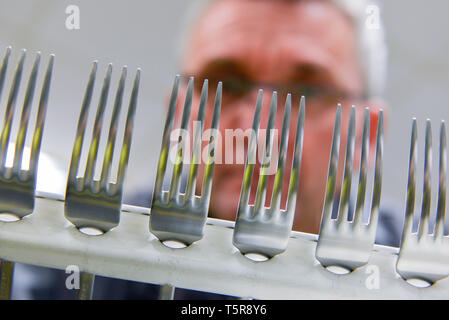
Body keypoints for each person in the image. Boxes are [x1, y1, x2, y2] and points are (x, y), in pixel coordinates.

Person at [12, 0, 403, 299]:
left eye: (304, 92)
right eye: (224, 85)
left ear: (367, 133)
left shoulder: (422, 271)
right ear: (178, 113)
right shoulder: (86, 253)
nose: (256, 128)